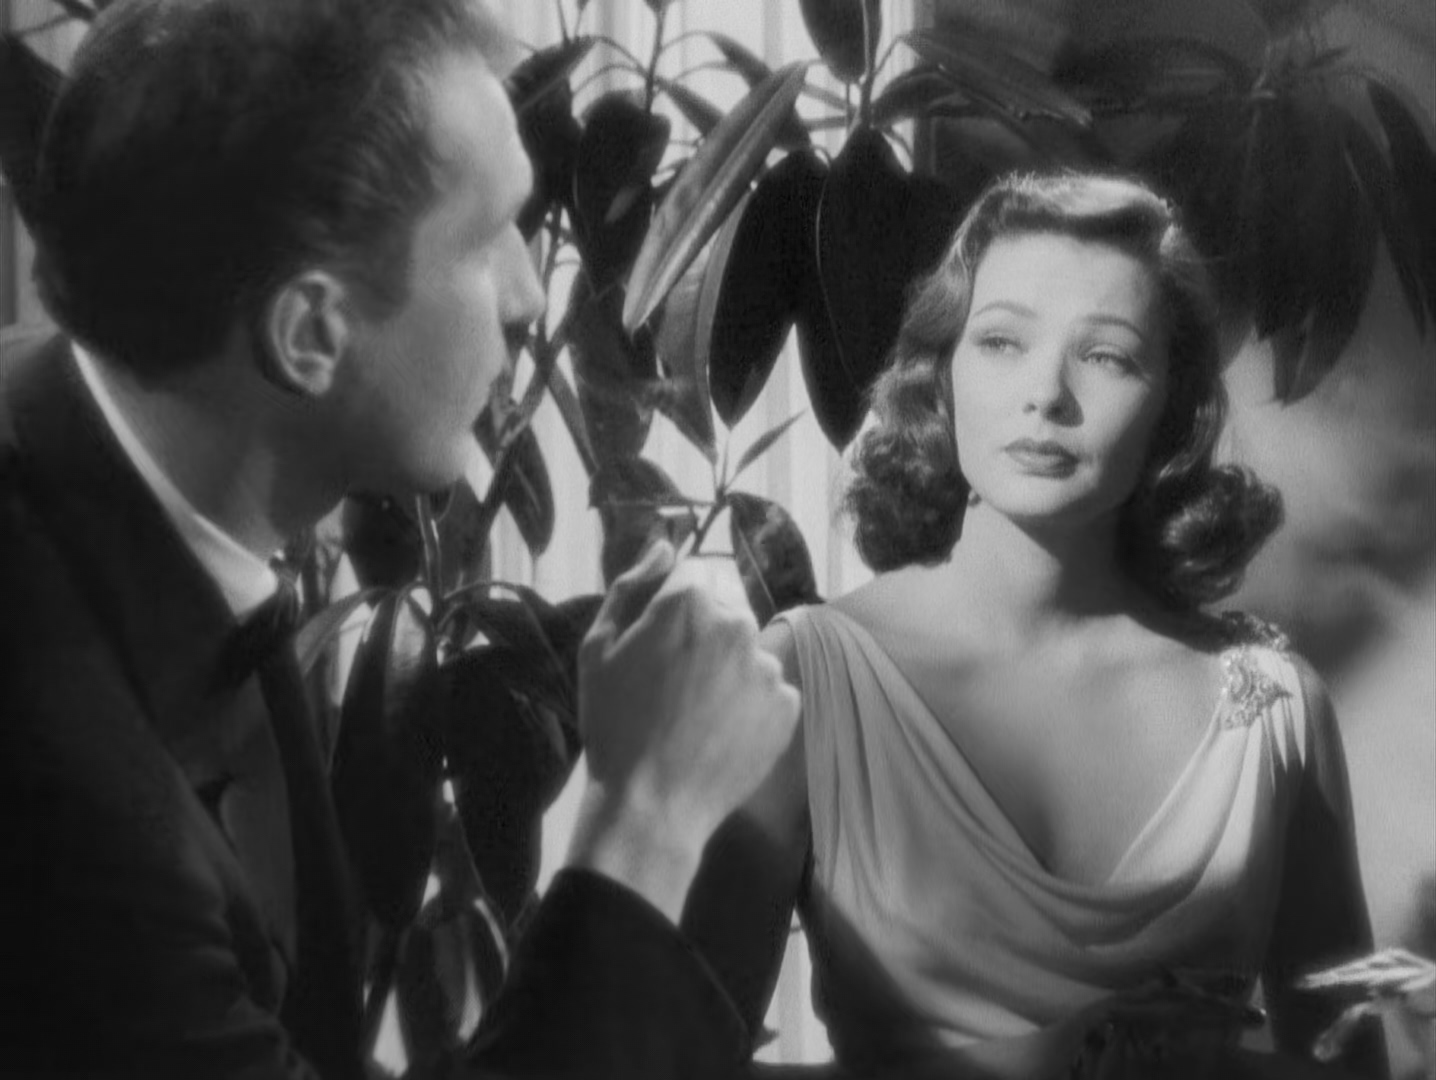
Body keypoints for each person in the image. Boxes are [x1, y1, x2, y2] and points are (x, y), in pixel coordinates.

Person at [0, 1, 798, 1077]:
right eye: (484, 239)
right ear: (309, 333)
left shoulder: (117, 458)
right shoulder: (63, 796)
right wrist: (646, 815)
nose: (529, 294)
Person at [682, 171, 1392, 1079]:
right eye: (1002, 341)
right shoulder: (805, 683)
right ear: (943, 372)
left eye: (1107, 356)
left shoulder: (1276, 712)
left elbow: (1352, 1064)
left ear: (1173, 406)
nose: (1046, 394)